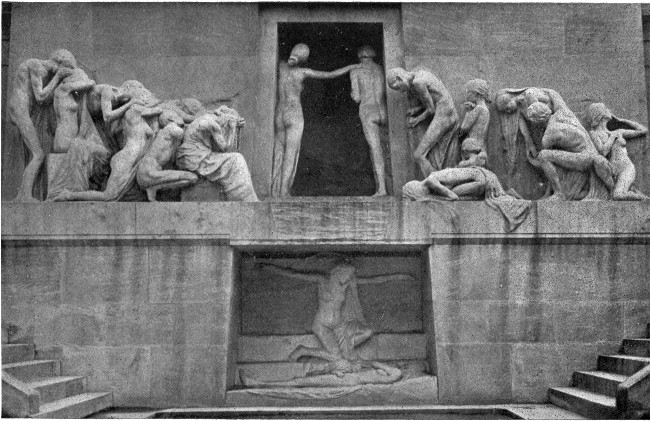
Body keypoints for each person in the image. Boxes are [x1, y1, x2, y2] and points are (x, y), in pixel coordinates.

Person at [258, 261, 415, 363]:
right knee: (337, 357)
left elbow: (373, 280)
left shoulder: (347, 286)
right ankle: (303, 350)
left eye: (351, 276)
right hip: (322, 325)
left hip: (340, 325)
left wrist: (399, 275)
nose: (350, 278)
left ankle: (346, 349)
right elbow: (295, 274)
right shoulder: (322, 280)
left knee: (367, 332)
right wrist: (271, 268)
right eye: (348, 275)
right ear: (339, 272)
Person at [272, 43, 360, 197]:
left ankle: (276, 189)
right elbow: (330, 74)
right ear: (304, 59)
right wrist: (352, 66)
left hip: (279, 114)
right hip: (294, 113)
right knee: (290, 154)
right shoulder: (303, 72)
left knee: (280, 150)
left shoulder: (281, 67)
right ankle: (283, 191)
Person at [7, 49, 77, 201]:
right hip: (20, 110)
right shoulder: (36, 66)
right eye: (66, 70)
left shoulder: (37, 68)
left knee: (33, 154)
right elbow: (40, 96)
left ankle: (24, 194)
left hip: (23, 110)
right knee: (38, 155)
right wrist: (57, 77)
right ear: (60, 64)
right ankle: (24, 195)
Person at [526, 89, 614, 200]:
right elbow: (554, 94)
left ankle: (559, 193)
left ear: (536, 122)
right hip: (592, 154)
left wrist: (531, 152)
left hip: (584, 159)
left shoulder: (548, 136)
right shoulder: (562, 112)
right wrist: (535, 96)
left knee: (543, 155)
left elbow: (543, 159)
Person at [386, 67, 459, 177]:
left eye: (398, 87)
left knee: (419, 155)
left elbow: (431, 109)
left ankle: (436, 183)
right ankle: (440, 181)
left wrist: (416, 120)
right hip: (447, 113)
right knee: (435, 158)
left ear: (399, 78)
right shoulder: (419, 74)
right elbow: (433, 101)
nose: (401, 91)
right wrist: (417, 110)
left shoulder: (418, 82)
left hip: (445, 114)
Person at [176, 106, 258, 202]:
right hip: (196, 159)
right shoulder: (213, 125)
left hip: (191, 156)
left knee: (233, 159)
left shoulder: (206, 118)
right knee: (236, 159)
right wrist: (232, 128)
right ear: (226, 119)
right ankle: (243, 197)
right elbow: (226, 148)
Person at [586, 103, 647, 200]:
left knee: (617, 195)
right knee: (617, 195)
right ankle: (634, 194)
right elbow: (603, 152)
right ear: (600, 114)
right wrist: (612, 137)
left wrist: (622, 121)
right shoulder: (594, 133)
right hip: (612, 172)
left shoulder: (619, 132)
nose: (609, 110)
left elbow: (643, 130)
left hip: (626, 168)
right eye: (606, 108)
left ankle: (642, 199)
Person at [136, 111, 199, 201]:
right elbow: (189, 133)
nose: (180, 117)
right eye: (177, 116)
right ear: (171, 118)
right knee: (193, 178)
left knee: (191, 178)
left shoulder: (164, 131)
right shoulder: (172, 129)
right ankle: (154, 187)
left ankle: (154, 187)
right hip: (149, 172)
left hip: (145, 172)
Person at [350, 45, 388, 196]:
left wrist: (352, 93)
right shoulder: (379, 69)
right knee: (385, 149)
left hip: (367, 110)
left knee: (375, 149)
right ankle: (386, 186)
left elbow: (356, 97)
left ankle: (382, 188)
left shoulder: (355, 70)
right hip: (382, 111)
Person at [240, 360, 402, 388]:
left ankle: (258, 384)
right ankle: (258, 383)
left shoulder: (396, 372)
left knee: (300, 382)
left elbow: (375, 363)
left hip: (348, 380)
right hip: (345, 377)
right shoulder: (390, 372)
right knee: (302, 380)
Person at [458, 79, 490, 151]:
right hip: (480, 145)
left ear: (475, 93)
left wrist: (468, 111)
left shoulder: (478, 108)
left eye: (468, 93)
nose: (467, 96)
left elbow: (464, 128)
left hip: (472, 147)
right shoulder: (485, 109)